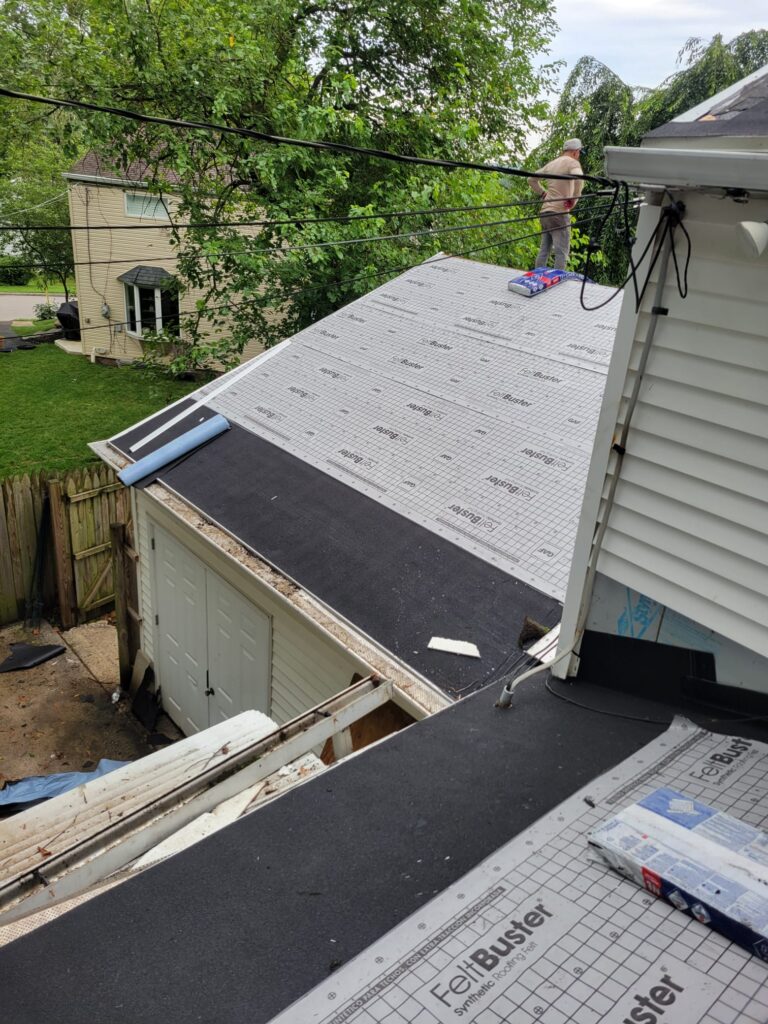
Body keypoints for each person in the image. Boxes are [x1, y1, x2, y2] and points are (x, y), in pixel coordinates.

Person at [528, 138, 584, 271]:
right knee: (562, 252)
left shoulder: (551, 165)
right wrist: (574, 199)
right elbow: (580, 178)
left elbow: (530, 179)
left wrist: (543, 194)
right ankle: (558, 281)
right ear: (576, 152)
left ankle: (537, 275)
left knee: (544, 250)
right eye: (580, 153)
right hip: (560, 212)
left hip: (545, 212)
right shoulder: (572, 163)